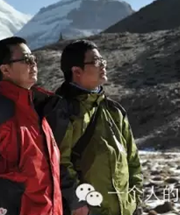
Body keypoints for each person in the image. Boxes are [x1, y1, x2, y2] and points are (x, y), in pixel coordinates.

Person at [0, 37, 63, 215]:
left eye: (34, 59)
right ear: (5, 69)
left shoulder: (37, 108)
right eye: (26, 59)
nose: (34, 64)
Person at [46, 40, 143, 215]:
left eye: (103, 61)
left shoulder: (114, 110)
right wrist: (78, 202)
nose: (103, 65)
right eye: (96, 61)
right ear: (76, 71)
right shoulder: (62, 111)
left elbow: (132, 161)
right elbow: (58, 163)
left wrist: (134, 200)